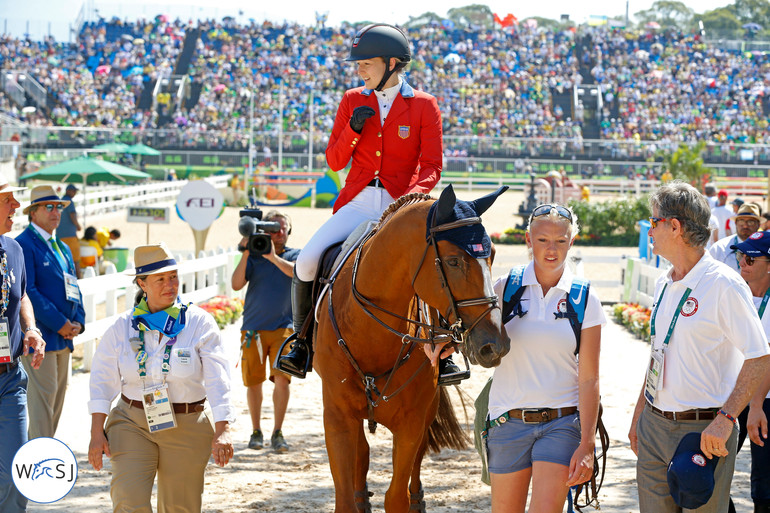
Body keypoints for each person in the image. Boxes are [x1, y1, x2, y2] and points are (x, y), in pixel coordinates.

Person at [276, 23, 454, 381]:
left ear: (391, 63)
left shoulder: (423, 105)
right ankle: (302, 342)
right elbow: (335, 161)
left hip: (403, 201)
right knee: (307, 261)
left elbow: (432, 165)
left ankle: (445, 350)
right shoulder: (352, 100)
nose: (358, 69)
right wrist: (352, 131)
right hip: (357, 200)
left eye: (365, 63)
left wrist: (412, 201)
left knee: (435, 264)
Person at [628, 181, 770, 513]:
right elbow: (657, 354)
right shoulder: (666, 281)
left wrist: (725, 419)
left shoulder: (723, 283)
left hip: (704, 431)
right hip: (654, 426)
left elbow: (760, 356)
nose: (650, 231)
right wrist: (639, 415)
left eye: (654, 222)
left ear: (674, 226)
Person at [87, 243, 235, 512]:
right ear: (142, 284)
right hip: (131, 421)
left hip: (187, 424)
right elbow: (101, 379)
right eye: (160, 280)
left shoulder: (199, 323)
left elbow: (218, 378)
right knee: (128, 500)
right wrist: (97, 431)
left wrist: (223, 428)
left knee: (180, 506)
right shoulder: (122, 327)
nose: (170, 285)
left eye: (173, 277)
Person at [482, 204, 605, 512]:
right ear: (528, 240)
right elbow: (476, 342)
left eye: (561, 241)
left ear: (572, 242)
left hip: (561, 424)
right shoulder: (502, 289)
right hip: (506, 421)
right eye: (543, 240)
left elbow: (589, 377)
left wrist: (587, 444)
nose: (552, 249)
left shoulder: (585, 298)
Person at [15, 185, 85, 439]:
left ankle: (44, 455)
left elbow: (74, 286)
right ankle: (38, 463)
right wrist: (60, 324)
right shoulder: (24, 244)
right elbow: (28, 291)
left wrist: (78, 321)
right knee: (42, 406)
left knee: (55, 405)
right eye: (49, 207)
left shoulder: (63, 248)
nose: (56, 211)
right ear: (33, 213)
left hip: (65, 338)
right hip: (41, 337)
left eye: (58, 207)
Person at [231, 210, 299, 452]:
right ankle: (256, 431)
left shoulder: (296, 256)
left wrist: (271, 257)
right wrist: (247, 252)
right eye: (273, 228)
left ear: (289, 232)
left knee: (282, 380)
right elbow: (236, 284)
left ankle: (277, 432)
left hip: (285, 329)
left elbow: (296, 273)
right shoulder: (254, 256)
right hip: (253, 329)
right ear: (265, 231)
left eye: (282, 228)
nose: (278, 233)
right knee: (254, 383)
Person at [0, 174, 46, 513]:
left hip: (9, 378)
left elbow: (23, 294)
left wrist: (31, 329)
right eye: (7, 200)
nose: (16, 205)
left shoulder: (13, 248)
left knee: (18, 471)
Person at [725, 232, 770, 513]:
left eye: (751, 258)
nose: (743, 262)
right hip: (733, 396)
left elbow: (766, 358)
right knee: (709, 471)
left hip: (763, 403)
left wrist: (755, 406)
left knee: (763, 487)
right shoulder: (733, 292)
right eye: (741, 255)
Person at [709, 203, 762, 273]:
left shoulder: (765, 249)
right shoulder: (719, 249)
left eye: (750, 222)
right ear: (736, 223)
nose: (745, 226)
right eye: (741, 221)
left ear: (758, 224)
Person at [58, 184, 82, 277]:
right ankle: (79, 280)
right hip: (70, 235)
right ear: (68, 191)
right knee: (75, 260)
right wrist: (78, 226)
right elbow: (72, 215)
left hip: (60, 235)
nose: (75, 193)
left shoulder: (60, 201)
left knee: (64, 260)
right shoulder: (69, 201)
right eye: (73, 191)